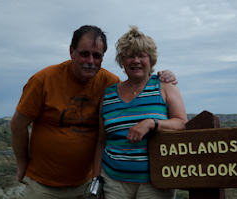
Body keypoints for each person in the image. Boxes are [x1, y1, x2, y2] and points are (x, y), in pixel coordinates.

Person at [10, 25, 178, 199]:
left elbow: (137, 89)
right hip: (43, 185)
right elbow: (17, 125)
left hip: (86, 184)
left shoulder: (109, 83)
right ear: (71, 52)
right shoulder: (43, 80)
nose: (90, 60)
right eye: (84, 53)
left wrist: (166, 75)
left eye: (97, 55)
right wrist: (22, 164)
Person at [92, 25, 188, 199]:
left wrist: (151, 123)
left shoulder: (164, 86)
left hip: (156, 182)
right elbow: (101, 142)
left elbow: (182, 124)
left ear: (150, 59)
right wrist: (95, 180)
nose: (136, 60)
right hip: (114, 182)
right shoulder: (108, 94)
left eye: (141, 55)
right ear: (122, 61)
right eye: (129, 56)